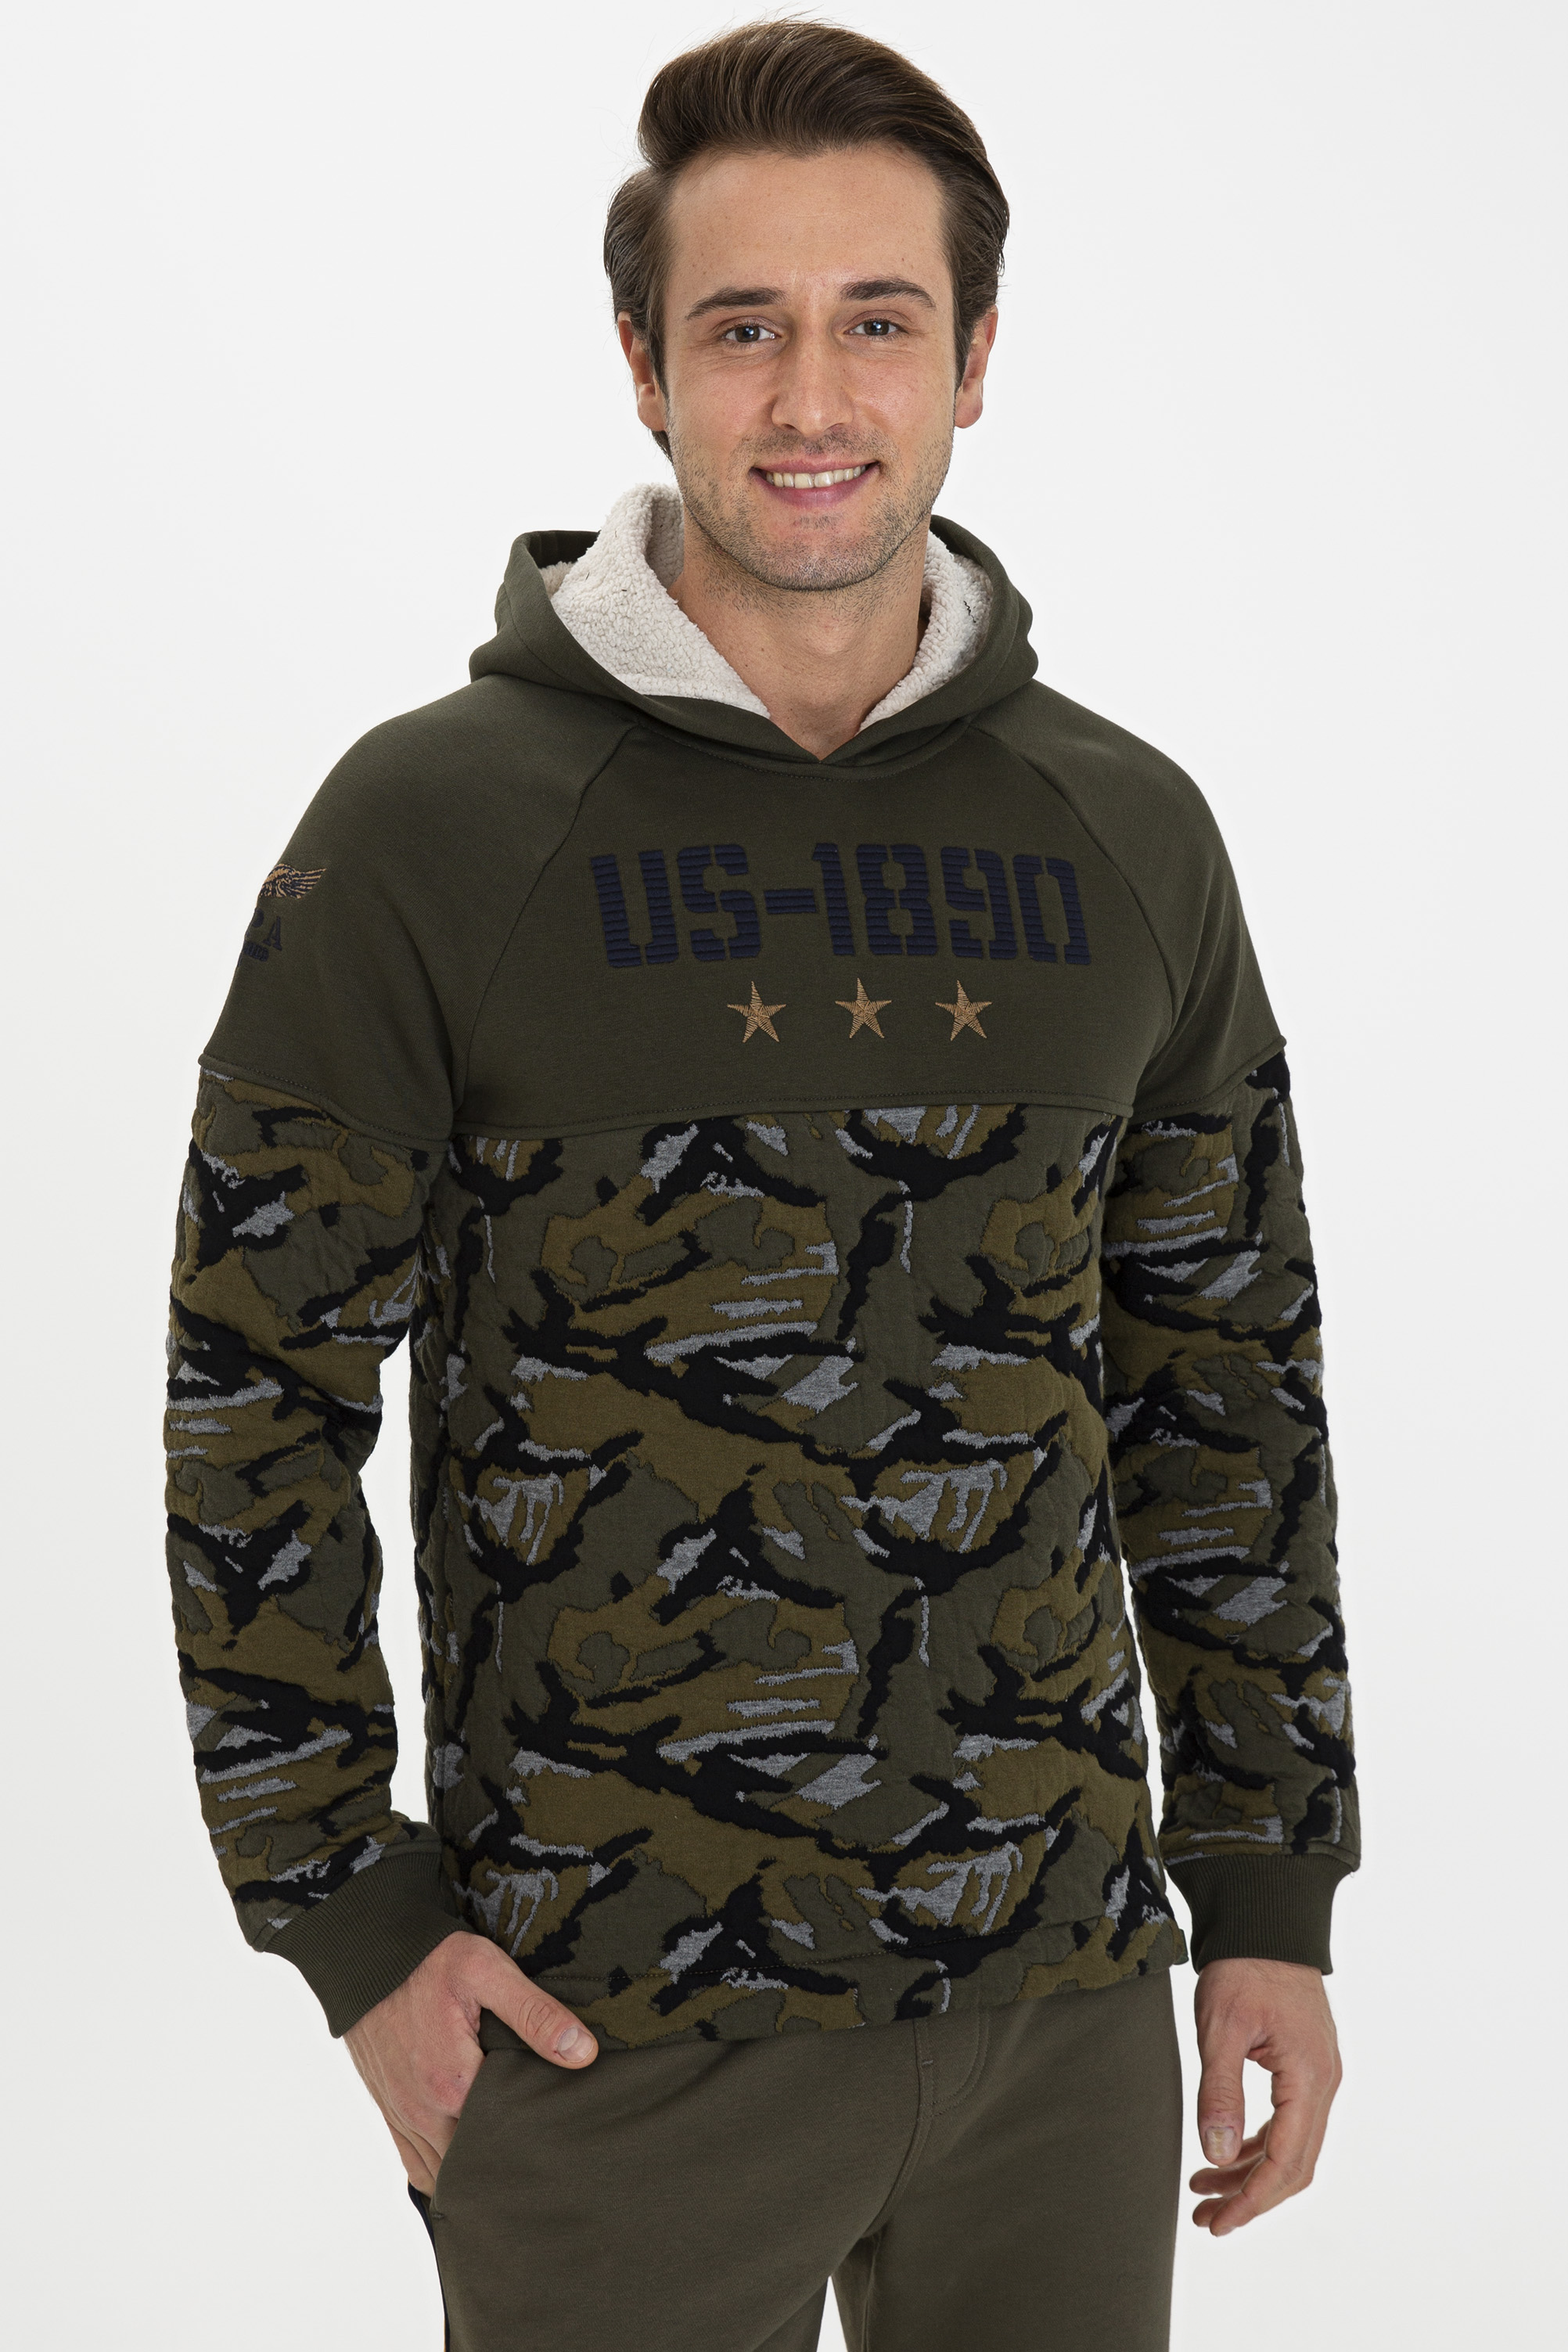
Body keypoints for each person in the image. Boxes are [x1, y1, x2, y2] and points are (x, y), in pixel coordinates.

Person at [164, 20, 1357, 2350]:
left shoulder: (1124, 832)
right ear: (645, 368)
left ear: (975, 359)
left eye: (877, 320)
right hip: (603, 2035)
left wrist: (1269, 1893)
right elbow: (252, 1399)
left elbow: (1228, 1387)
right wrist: (352, 1924)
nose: (813, 397)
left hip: (1060, 2012)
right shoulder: (428, 831)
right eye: (743, 328)